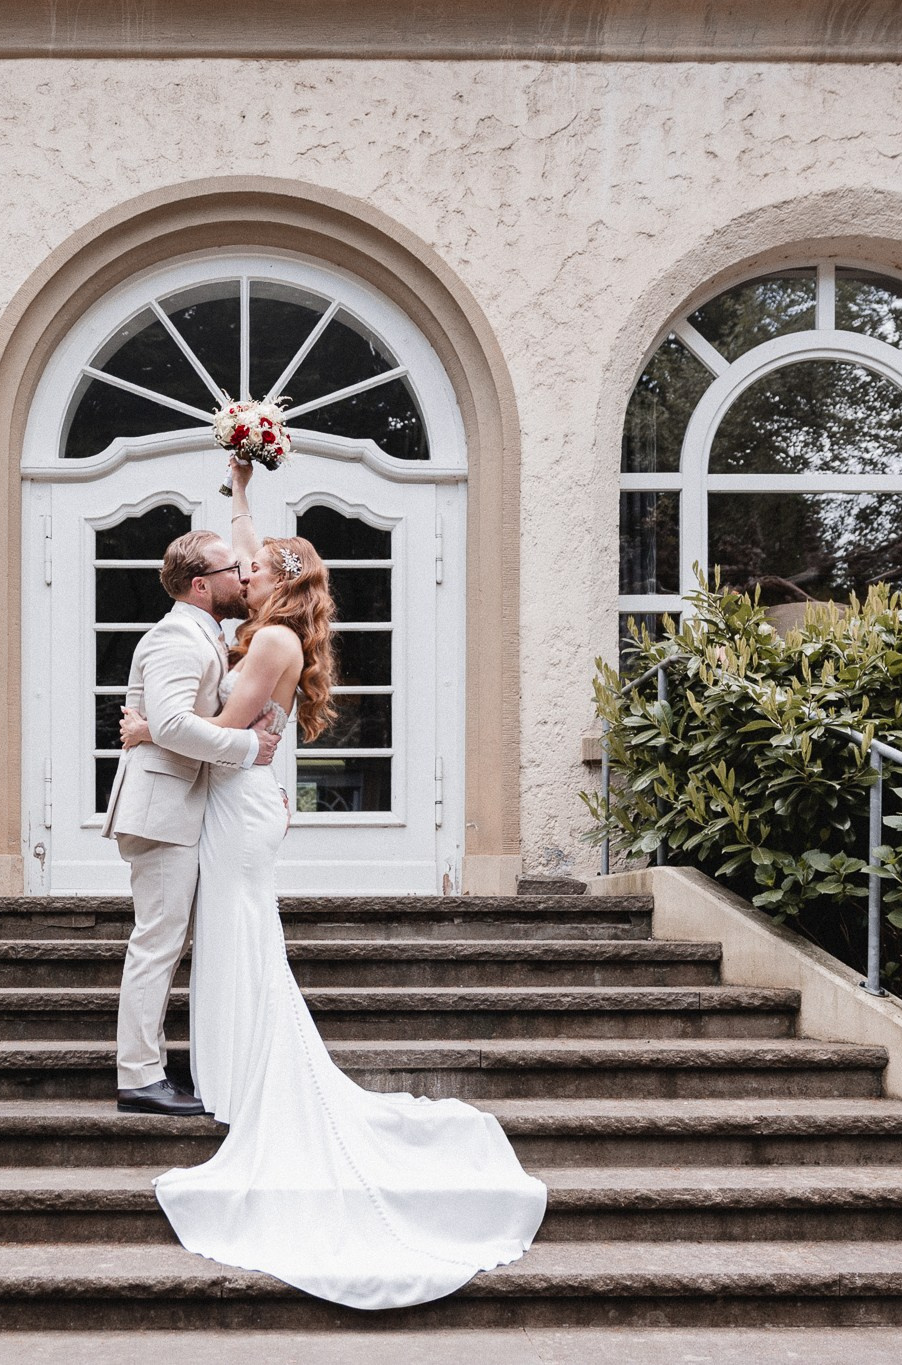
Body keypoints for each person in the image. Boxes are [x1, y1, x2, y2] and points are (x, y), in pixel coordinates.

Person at [116, 456, 547, 1309]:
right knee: (233, 938)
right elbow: (250, 559)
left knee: (240, 937)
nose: (245, 567)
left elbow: (224, 729)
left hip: (236, 802)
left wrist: (145, 731)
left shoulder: (271, 639)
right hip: (232, 804)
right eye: (237, 564)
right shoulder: (269, 623)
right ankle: (219, 1072)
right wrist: (241, 489)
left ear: (271, 582)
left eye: (254, 565)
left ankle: (238, 1077)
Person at [101, 527, 280, 1117]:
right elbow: (175, 723)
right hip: (161, 812)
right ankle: (139, 1076)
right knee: (158, 942)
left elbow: (171, 723)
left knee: (167, 941)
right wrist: (249, 749)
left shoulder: (206, 634)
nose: (243, 577)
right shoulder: (177, 637)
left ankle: (154, 1064)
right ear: (202, 585)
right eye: (232, 571)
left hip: (184, 807)